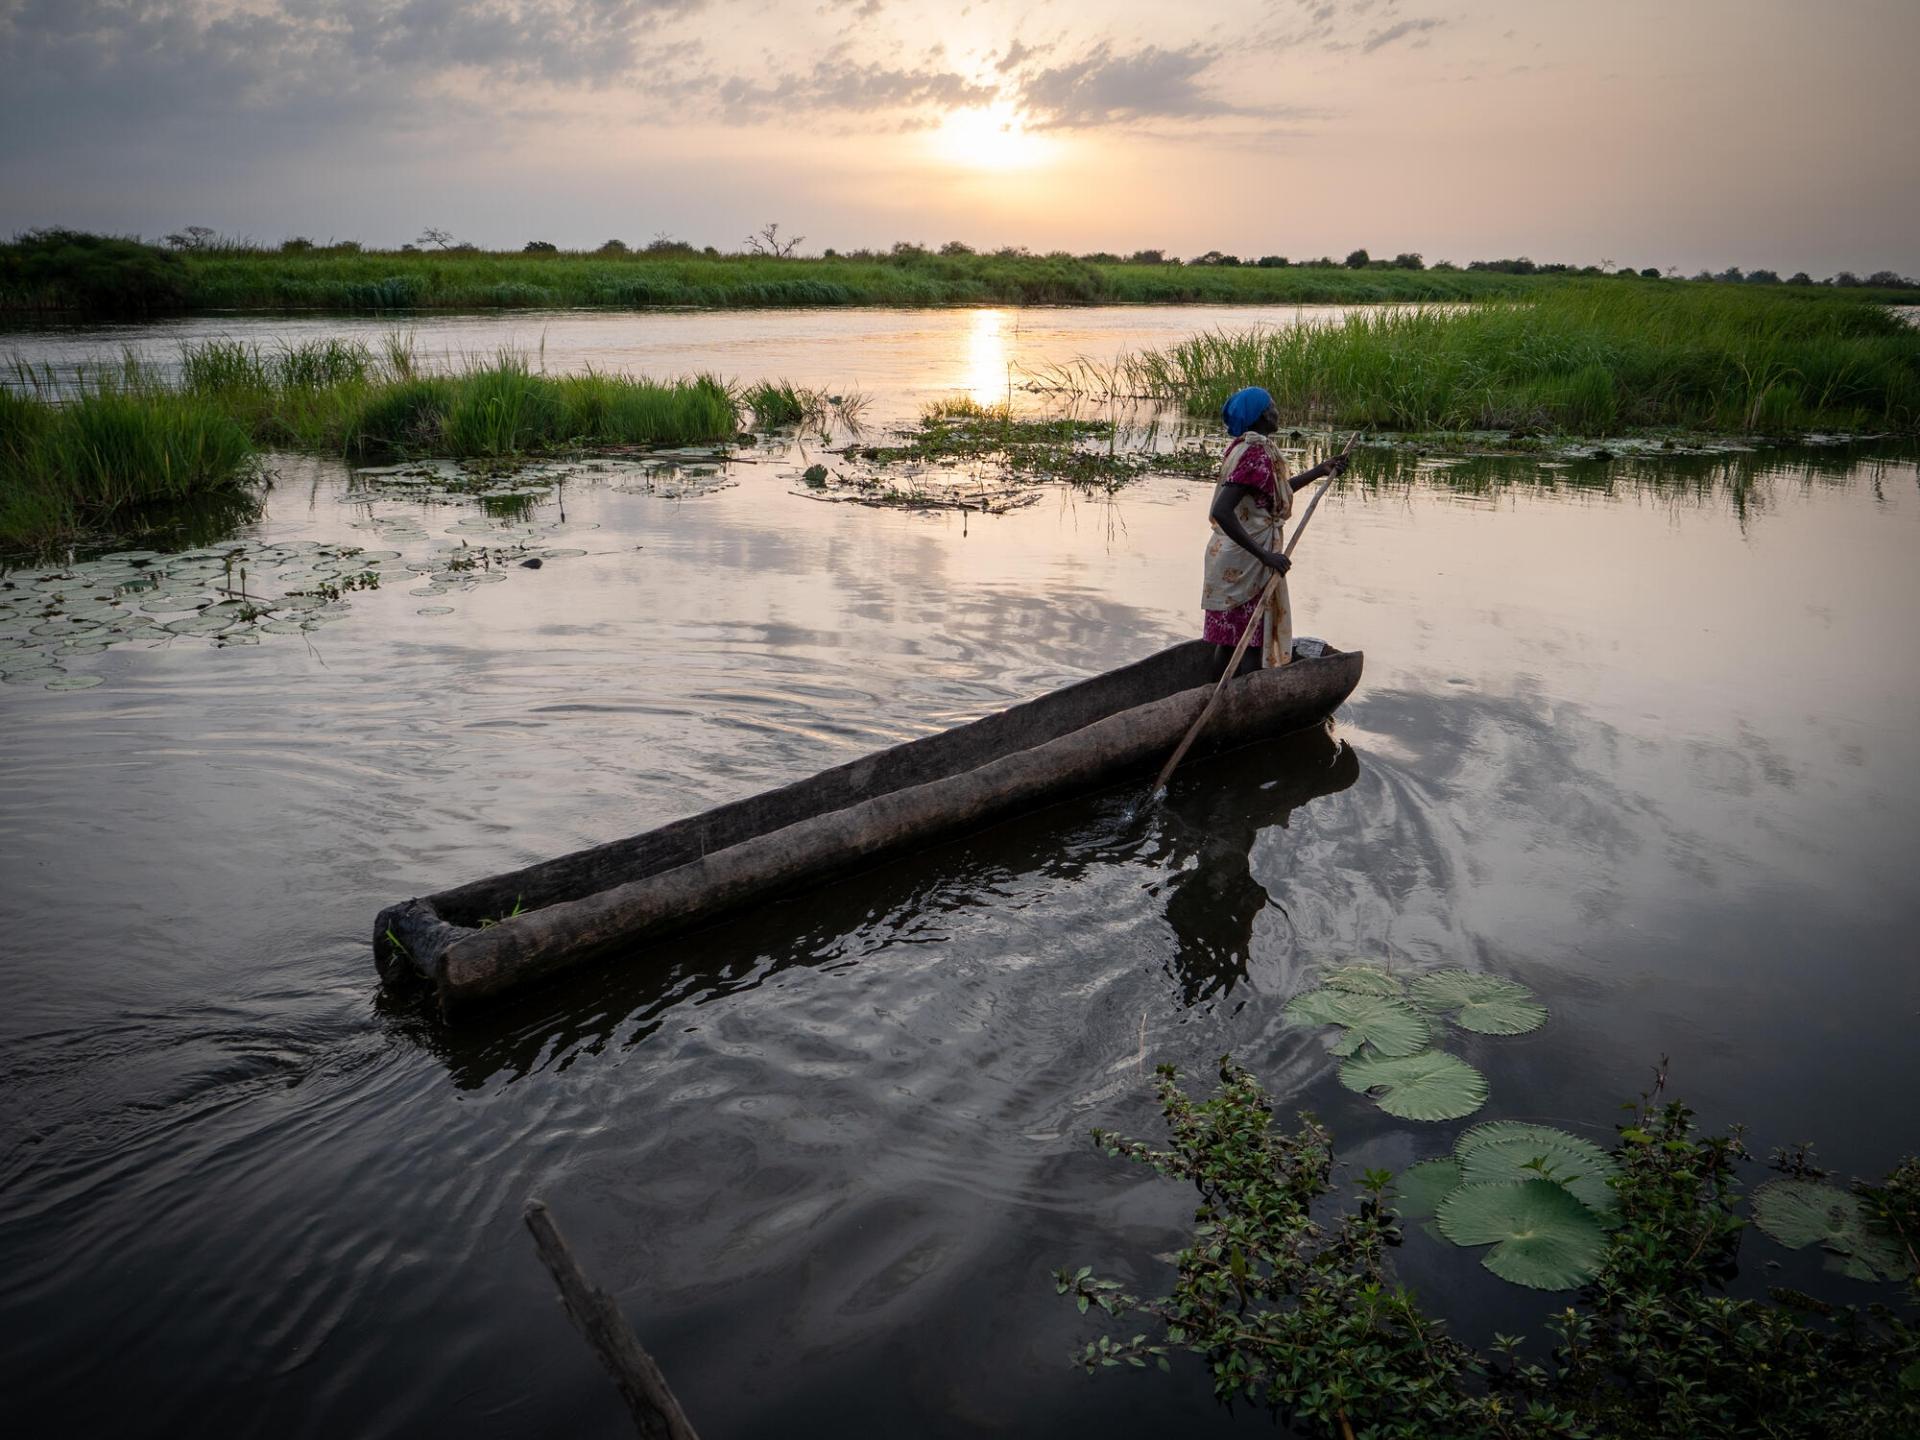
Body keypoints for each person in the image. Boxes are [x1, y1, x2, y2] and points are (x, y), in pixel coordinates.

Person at [1200, 387, 1348, 670]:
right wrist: (1264, 556)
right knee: (1251, 643)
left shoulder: (1244, 446)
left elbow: (1271, 496)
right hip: (1246, 562)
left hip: (1232, 556)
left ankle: (1216, 696)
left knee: (1231, 640)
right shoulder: (1254, 452)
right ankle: (1242, 705)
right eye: (1271, 407)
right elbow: (1222, 510)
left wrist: (1319, 471)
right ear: (1259, 416)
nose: (1276, 412)